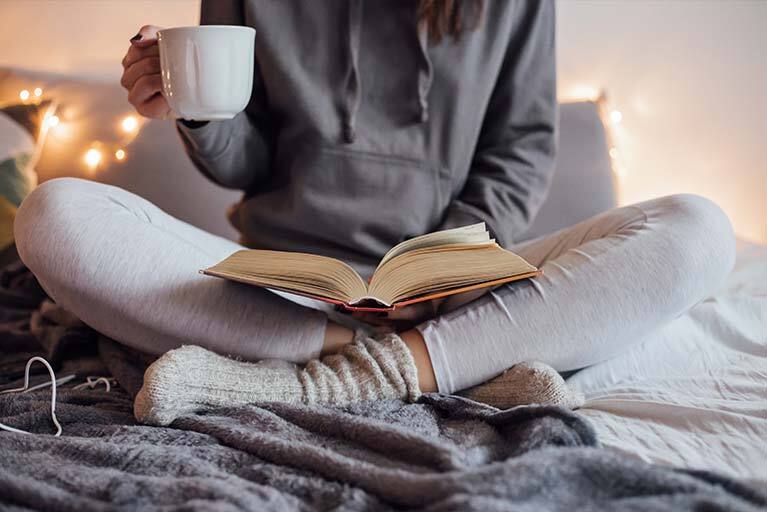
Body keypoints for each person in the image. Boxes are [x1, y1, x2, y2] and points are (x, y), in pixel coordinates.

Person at [14, 1, 735, 426]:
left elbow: (520, 147)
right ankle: (455, 368)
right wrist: (196, 113)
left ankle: (337, 372)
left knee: (697, 228)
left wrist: (450, 269)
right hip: (276, 284)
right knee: (53, 213)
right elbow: (247, 163)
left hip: (458, 277)